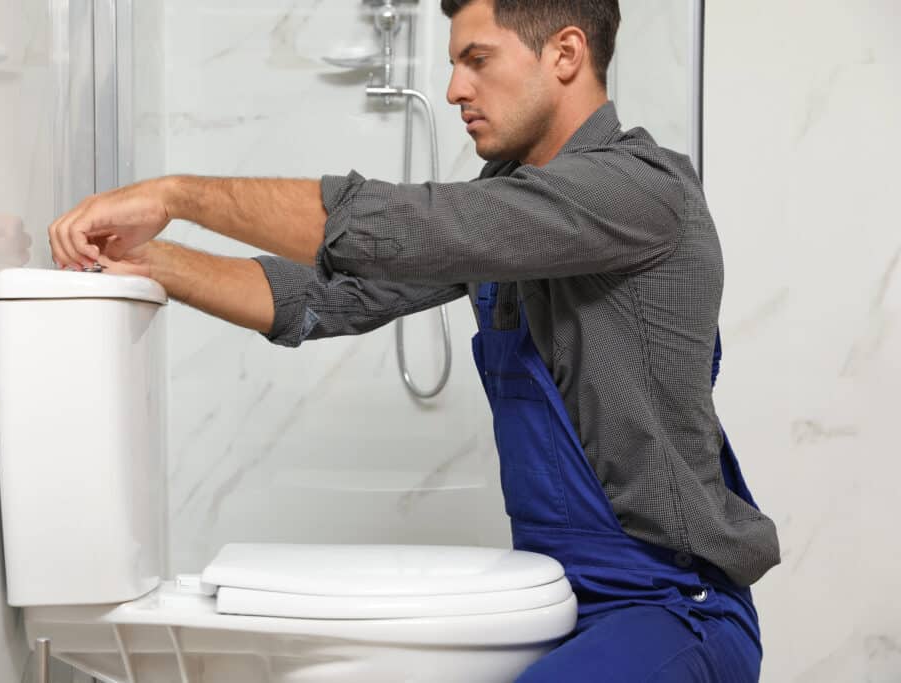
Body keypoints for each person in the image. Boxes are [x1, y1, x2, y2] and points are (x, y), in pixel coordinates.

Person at [47, 0, 780, 679]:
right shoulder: (511, 198)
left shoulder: (643, 191)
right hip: (564, 599)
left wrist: (176, 195)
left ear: (564, 54)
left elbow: (414, 229)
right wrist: (148, 261)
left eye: (478, 59)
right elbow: (324, 299)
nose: (455, 87)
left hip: (674, 608)